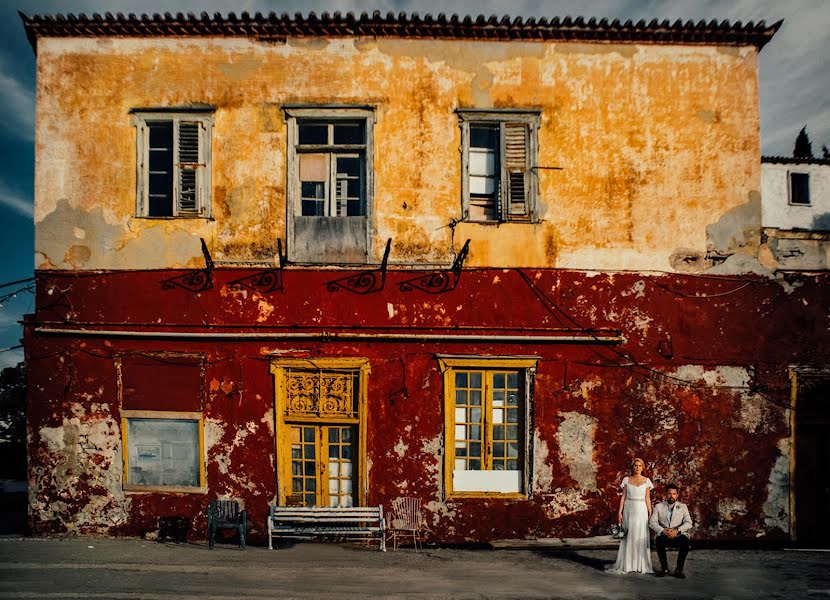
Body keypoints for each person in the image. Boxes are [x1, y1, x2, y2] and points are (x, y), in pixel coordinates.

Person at [606, 457, 654, 574]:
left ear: (643, 468)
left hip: (641, 509)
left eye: (640, 466)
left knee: (640, 534)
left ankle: (640, 564)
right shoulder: (627, 480)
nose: (637, 468)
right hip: (629, 509)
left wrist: (650, 513)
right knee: (629, 535)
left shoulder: (647, 481)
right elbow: (623, 497)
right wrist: (619, 512)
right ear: (632, 467)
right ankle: (628, 564)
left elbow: (647, 498)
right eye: (635, 465)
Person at [648, 482, 693, 578]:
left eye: (673, 494)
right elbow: (652, 522)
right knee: (658, 540)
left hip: (678, 535)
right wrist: (664, 530)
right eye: (669, 494)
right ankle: (664, 569)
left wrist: (677, 530)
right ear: (665, 494)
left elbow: (689, 523)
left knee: (686, 542)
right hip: (664, 535)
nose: (671, 496)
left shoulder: (683, 507)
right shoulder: (658, 506)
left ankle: (679, 570)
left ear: (677, 495)